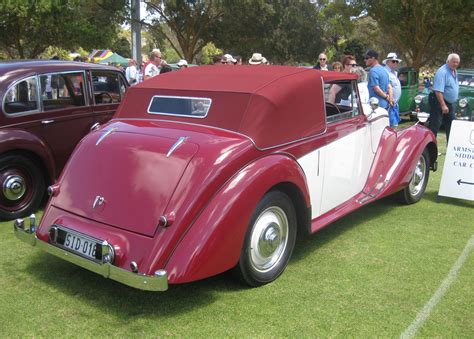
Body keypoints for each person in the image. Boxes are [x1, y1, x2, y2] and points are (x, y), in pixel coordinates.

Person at [429, 53, 460, 143]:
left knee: (452, 126)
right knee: (435, 126)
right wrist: (443, 105)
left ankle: (451, 149)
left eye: (457, 62)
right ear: (448, 61)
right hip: (439, 101)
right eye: (454, 62)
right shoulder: (442, 72)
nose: (455, 64)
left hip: (449, 103)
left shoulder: (454, 71)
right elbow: (438, 90)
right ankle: (431, 148)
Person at [383, 52, 402, 127]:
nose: (396, 63)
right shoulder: (385, 72)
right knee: (392, 126)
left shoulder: (395, 73)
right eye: (393, 61)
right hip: (389, 104)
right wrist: (389, 97)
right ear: (387, 62)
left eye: (397, 61)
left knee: (395, 125)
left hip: (395, 105)